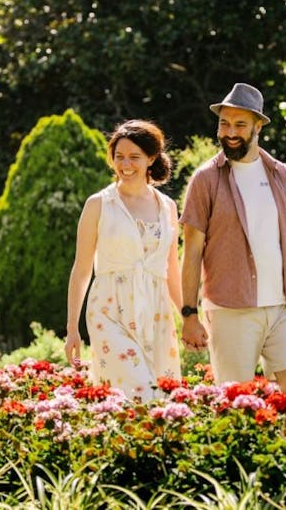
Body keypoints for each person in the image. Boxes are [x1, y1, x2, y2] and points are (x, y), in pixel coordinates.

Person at [179, 83, 286, 399]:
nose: (230, 132)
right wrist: (189, 314)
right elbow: (192, 252)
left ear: (258, 127)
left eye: (240, 124)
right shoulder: (206, 179)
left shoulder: (283, 176)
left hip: (283, 307)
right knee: (234, 399)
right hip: (230, 309)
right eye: (224, 123)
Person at [64, 119, 182, 401]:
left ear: (151, 158)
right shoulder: (98, 205)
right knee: (140, 391)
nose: (125, 164)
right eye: (119, 156)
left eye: (134, 157)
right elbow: (82, 269)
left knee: (160, 400)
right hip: (109, 311)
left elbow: (171, 270)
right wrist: (72, 328)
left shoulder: (168, 207)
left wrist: (189, 317)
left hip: (156, 313)